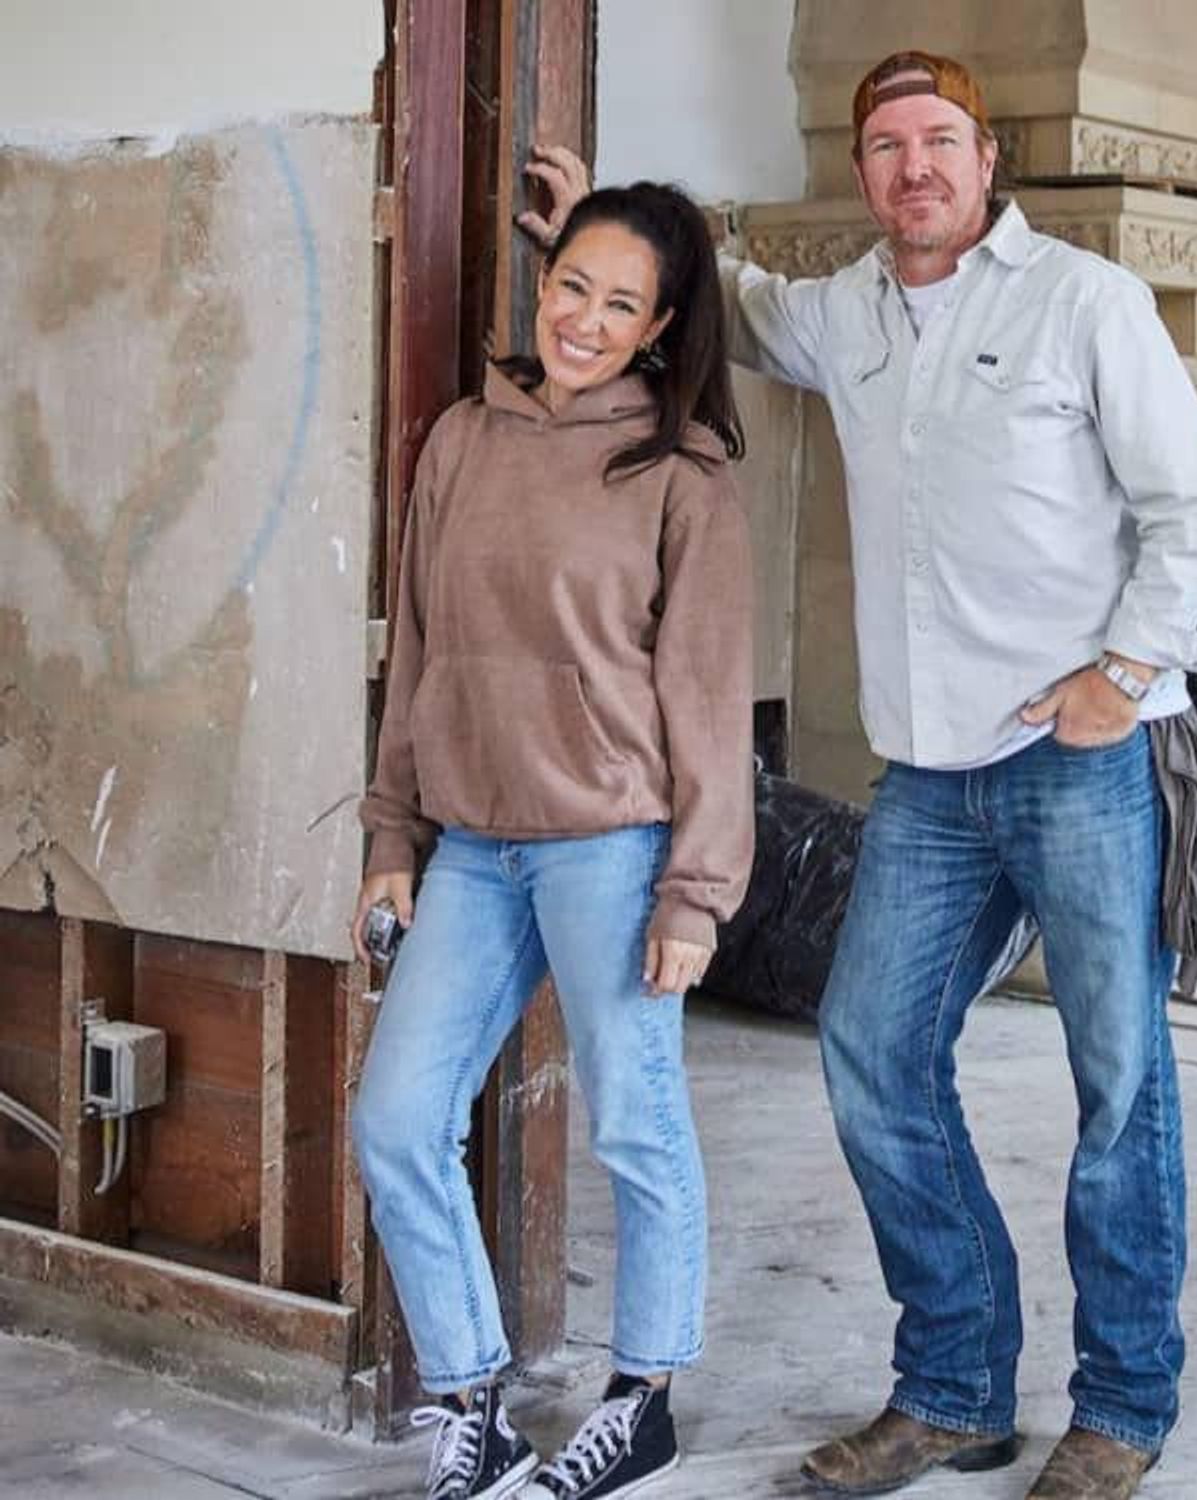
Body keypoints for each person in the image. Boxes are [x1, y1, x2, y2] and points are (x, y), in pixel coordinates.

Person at [528, 45, 1197, 1500]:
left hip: (1075, 761)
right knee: (872, 1057)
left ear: (987, 161)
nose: (916, 166)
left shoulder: (1086, 304)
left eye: (942, 141)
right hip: (930, 779)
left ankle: (1123, 1404)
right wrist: (600, 221)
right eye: (888, 146)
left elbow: (1194, 506)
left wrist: (1124, 672)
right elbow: (708, 291)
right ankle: (957, 1390)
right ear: (862, 174)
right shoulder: (838, 313)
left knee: (1121, 1089)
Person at [351, 180, 754, 1500]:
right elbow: (418, 645)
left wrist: (695, 891)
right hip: (471, 843)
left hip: (614, 848)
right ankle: (471, 1395)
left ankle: (642, 1399)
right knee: (398, 1119)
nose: (584, 317)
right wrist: (392, 829)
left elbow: (702, 693)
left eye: (620, 302)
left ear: (660, 326)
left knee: (636, 1127)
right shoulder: (465, 437)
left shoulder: (683, 473)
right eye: (571, 284)